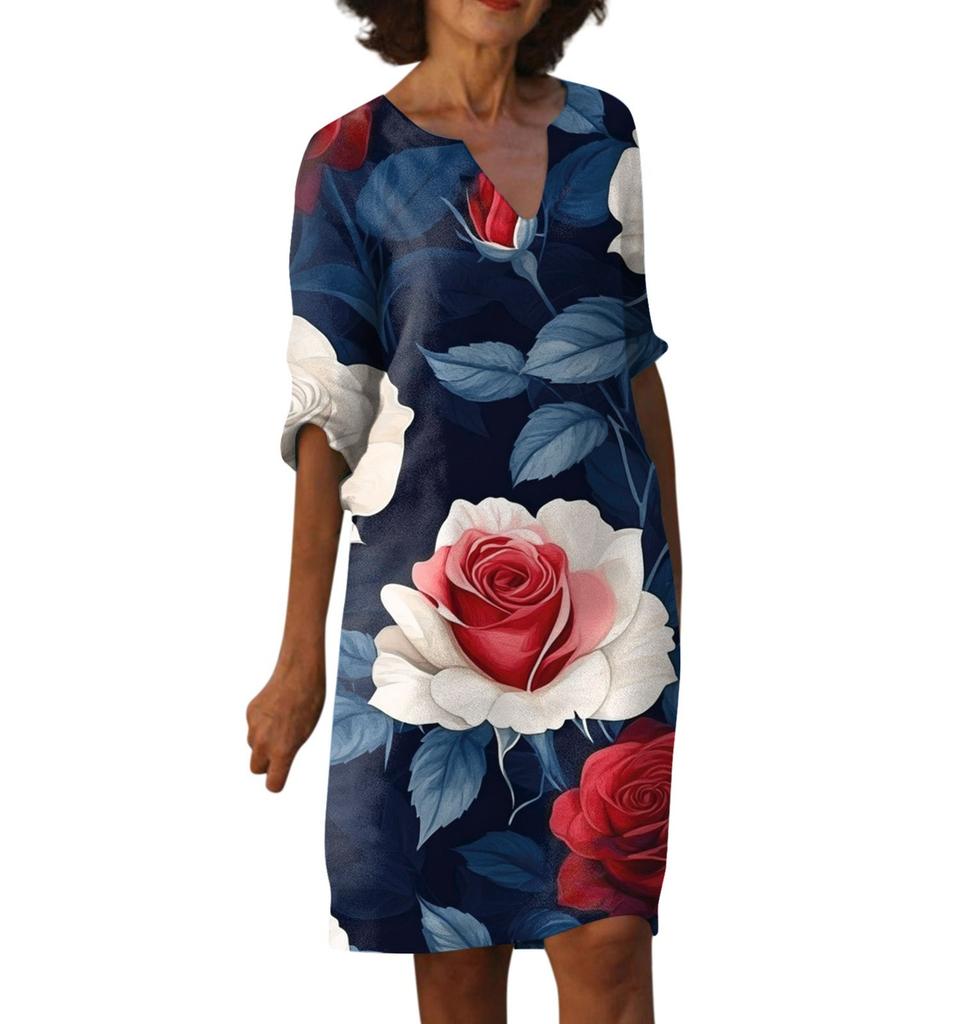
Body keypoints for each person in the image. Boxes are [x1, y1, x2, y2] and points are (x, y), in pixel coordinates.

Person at [246, 2, 682, 1021]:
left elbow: (631, 359)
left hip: (612, 598)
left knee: (610, 938)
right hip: (424, 612)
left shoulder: (604, 131)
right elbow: (330, 412)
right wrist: (298, 656)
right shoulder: (348, 160)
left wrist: (678, 577)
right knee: (457, 954)